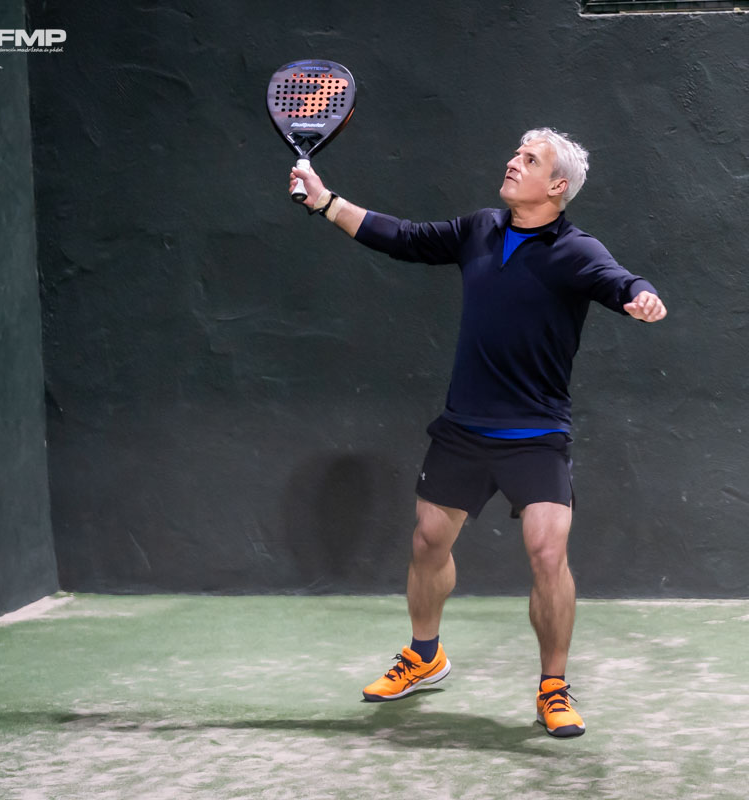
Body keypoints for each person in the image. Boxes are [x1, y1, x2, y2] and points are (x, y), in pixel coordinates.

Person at [289, 128, 667, 738]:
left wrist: (642, 296)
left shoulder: (576, 250)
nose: (513, 163)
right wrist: (326, 201)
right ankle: (424, 655)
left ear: (557, 186)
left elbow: (621, 280)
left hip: (537, 432)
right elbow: (403, 238)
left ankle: (553, 687)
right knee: (427, 542)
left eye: (529, 160)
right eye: (516, 154)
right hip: (464, 428)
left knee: (548, 554)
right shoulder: (479, 230)